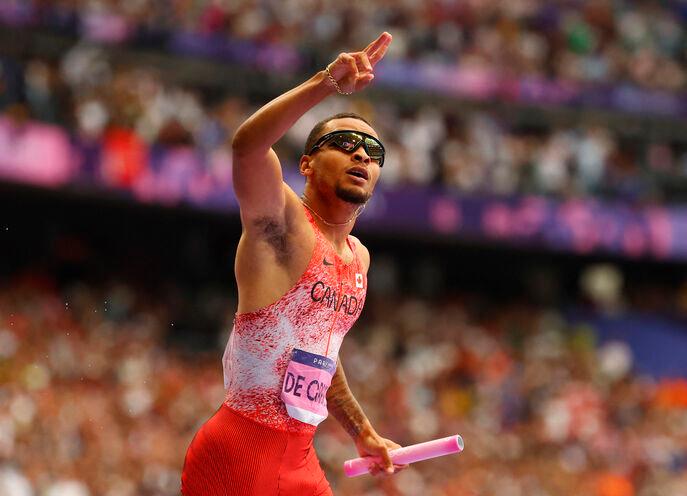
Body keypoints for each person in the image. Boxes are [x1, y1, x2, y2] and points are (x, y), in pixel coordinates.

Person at [181, 32, 404, 495]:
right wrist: (327, 83)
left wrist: (361, 431)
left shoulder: (358, 257)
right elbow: (246, 148)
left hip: (299, 456)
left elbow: (320, 351)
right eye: (344, 142)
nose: (362, 153)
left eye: (374, 151)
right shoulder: (281, 222)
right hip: (240, 450)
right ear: (305, 164)